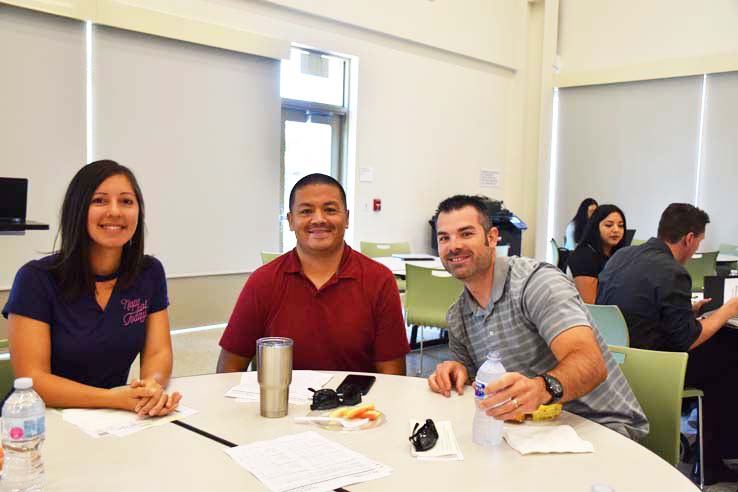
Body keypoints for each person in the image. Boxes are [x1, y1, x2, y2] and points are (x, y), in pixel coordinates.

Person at [427, 195, 647, 439]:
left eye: (466, 234)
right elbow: (473, 382)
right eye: (444, 238)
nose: (454, 245)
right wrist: (456, 371)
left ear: (492, 238)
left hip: (600, 427)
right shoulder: (458, 315)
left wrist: (541, 388)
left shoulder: (536, 284)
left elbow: (591, 363)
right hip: (530, 432)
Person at [2, 160, 181, 417]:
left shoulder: (149, 272)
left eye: (126, 201)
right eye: (99, 201)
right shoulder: (35, 279)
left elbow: (158, 351)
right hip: (38, 422)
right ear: (77, 209)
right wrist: (112, 399)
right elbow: (34, 380)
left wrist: (151, 385)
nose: (115, 211)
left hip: (111, 419)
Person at [597, 203, 738, 485]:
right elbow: (688, 339)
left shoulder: (622, 256)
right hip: (652, 368)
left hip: (613, 360)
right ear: (689, 239)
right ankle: (710, 461)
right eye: (698, 241)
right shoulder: (672, 271)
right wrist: (729, 310)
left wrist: (689, 312)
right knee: (729, 357)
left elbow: (640, 310)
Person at [217, 173, 409, 375]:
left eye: (330, 210)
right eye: (306, 211)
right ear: (291, 221)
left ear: (347, 219)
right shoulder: (263, 281)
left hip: (354, 405)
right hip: (283, 404)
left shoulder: (379, 280)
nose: (319, 219)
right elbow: (229, 368)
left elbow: (393, 377)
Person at [568, 204, 627, 303]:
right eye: (609, 225)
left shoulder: (617, 255)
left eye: (620, 226)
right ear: (595, 227)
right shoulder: (584, 257)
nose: (616, 230)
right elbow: (590, 306)